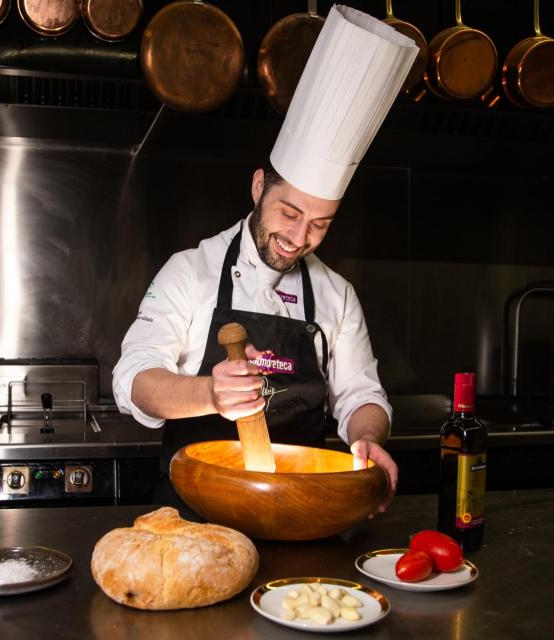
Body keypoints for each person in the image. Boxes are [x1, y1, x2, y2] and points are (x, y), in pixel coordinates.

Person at [112, 5, 418, 512]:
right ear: (259, 187)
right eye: (289, 213)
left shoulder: (337, 296)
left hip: (302, 509)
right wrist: (211, 393)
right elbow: (135, 379)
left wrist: (369, 438)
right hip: (197, 512)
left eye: (321, 224)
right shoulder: (190, 271)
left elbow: (362, 395)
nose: (299, 237)